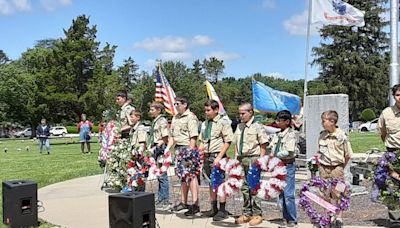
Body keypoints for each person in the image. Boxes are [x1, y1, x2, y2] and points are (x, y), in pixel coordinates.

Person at [233, 103, 269, 226]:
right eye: (240, 113)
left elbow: (263, 144)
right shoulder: (239, 127)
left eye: (243, 113)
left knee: (254, 187)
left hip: (253, 158)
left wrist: (261, 161)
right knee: (244, 187)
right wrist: (235, 160)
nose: (241, 116)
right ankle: (247, 213)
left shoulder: (257, 126)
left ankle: (257, 214)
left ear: (250, 112)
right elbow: (236, 144)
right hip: (242, 158)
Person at [199, 100, 234, 221]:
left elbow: (228, 141)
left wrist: (219, 156)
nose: (206, 112)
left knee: (219, 182)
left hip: (217, 155)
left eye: (208, 110)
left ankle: (222, 210)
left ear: (216, 110)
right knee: (210, 182)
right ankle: (213, 208)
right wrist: (199, 152)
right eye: (205, 110)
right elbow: (203, 140)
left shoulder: (223, 122)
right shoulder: (205, 124)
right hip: (207, 155)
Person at [317, 110, 353, 228]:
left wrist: (341, 167)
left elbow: (347, 155)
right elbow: (319, 151)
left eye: (324, 121)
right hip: (323, 168)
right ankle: (328, 216)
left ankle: (339, 217)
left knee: (339, 193)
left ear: (332, 122)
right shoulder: (322, 135)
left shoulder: (341, 136)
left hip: (337, 168)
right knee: (325, 193)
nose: (322, 123)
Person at [166, 97, 200, 216]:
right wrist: (168, 148)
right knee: (182, 176)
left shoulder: (190, 117)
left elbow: (193, 136)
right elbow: (172, 136)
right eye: (175, 104)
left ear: (185, 104)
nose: (176, 106)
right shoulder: (175, 117)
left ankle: (195, 204)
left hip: (187, 148)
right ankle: (183, 202)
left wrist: (190, 152)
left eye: (178, 104)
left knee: (191, 176)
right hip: (178, 149)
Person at [268, 110, 298, 228]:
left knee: (288, 194)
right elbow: (272, 147)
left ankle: (292, 219)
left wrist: (276, 154)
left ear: (287, 122)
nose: (277, 122)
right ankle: (285, 218)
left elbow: (289, 151)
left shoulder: (291, 134)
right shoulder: (277, 134)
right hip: (277, 166)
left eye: (279, 120)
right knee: (280, 193)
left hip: (287, 166)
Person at [148, 102, 172, 210]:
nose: (150, 111)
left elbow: (165, 136)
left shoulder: (162, 121)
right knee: (158, 175)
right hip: (155, 148)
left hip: (160, 149)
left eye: (152, 109)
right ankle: (160, 197)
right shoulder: (155, 121)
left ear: (159, 110)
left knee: (162, 175)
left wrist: (158, 146)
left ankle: (165, 199)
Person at [127, 110, 148, 192]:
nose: (131, 119)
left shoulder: (140, 127)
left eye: (132, 117)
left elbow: (142, 142)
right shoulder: (134, 128)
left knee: (140, 172)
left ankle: (140, 190)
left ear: (138, 117)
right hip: (134, 153)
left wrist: (139, 152)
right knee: (133, 171)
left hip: (139, 154)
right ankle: (134, 188)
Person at [378, 84, 400, 151]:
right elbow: (382, 133)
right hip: (393, 151)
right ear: (393, 96)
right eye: (397, 95)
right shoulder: (386, 113)